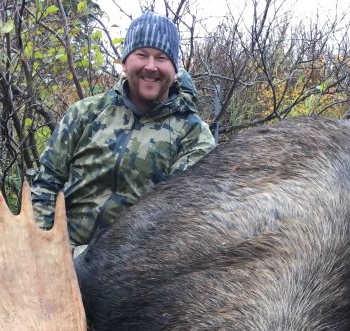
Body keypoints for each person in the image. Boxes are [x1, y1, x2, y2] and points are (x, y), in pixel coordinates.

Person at [31, 12, 215, 247]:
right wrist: (45, 246)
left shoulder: (194, 135)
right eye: (141, 55)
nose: (151, 67)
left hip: (131, 272)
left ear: (174, 67)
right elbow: (47, 183)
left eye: (161, 58)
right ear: (125, 62)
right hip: (57, 257)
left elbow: (176, 221)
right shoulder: (85, 113)